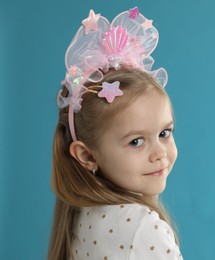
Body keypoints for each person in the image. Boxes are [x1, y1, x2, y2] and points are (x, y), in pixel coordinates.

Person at [48, 7, 183, 260]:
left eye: (164, 133)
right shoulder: (143, 228)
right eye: (136, 141)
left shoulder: (82, 212)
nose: (159, 153)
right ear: (87, 156)